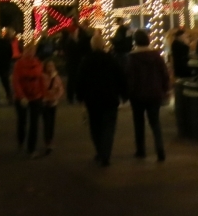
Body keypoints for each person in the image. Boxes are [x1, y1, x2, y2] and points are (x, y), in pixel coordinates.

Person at [77, 31, 127, 167]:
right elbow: (121, 77)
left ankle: (100, 150)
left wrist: (80, 97)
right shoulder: (111, 59)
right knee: (109, 127)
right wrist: (124, 95)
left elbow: (80, 80)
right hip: (110, 98)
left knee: (95, 126)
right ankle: (106, 153)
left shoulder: (86, 61)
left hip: (92, 100)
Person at [126, 29, 170, 162]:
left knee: (138, 123)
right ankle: (160, 149)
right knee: (155, 122)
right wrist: (165, 89)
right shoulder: (156, 56)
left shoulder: (132, 58)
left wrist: (128, 92)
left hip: (138, 95)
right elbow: (164, 74)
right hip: (154, 93)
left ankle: (141, 150)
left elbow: (129, 78)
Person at [12, 41, 46, 157]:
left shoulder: (38, 63)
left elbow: (41, 79)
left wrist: (43, 94)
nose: (30, 52)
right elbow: (16, 81)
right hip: (23, 96)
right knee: (22, 121)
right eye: (28, 50)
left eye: (32, 50)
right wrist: (21, 96)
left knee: (34, 123)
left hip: (36, 95)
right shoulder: (19, 64)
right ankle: (21, 140)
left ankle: (31, 148)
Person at [40, 59, 64, 155]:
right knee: (47, 123)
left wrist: (56, 97)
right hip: (45, 103)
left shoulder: (56, 77)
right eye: (49, 66)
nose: (50, 68)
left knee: (52, 123)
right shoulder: (42, 77)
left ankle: (50, 140)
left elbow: (60, 88)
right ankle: (47, 142)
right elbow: (41, 89)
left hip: (53, 103)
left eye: (52, 66)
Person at [0, 27, 15, 105]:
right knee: (5, 82)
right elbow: (10, 53)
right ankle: (9, 97)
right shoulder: (6, 43)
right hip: (4, 64)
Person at [61, 26, 82, 104]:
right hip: (72, 63)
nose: (77, 33)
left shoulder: (72, 41)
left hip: (73, 63)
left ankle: (73, 96)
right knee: (72, 81)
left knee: (73, 80)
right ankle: (71, 97)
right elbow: (74, 53)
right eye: (76, 32)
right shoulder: (70, 42)